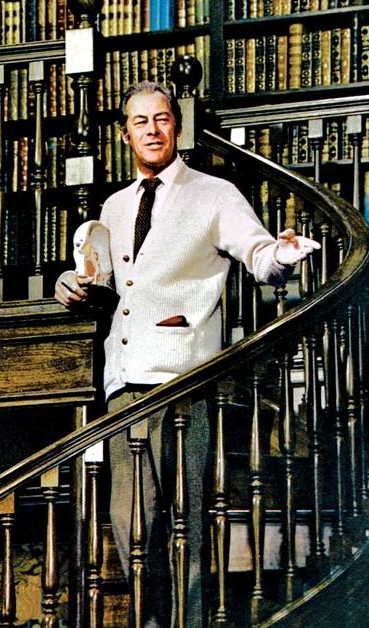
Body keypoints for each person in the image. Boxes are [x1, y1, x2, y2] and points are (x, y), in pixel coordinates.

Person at [55, 81, 319, 626]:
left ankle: (189, 622)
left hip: (183, 381)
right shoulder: (114, 206)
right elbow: (106, 281)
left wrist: (283, 254)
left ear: (177, 126)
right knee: (129, 522)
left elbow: (259, 255)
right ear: (125, 134)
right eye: (140, 121)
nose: (152, 130)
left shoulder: (214, 193)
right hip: (123, 383)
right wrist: (70, 284)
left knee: (186, 523)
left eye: (162, 119)